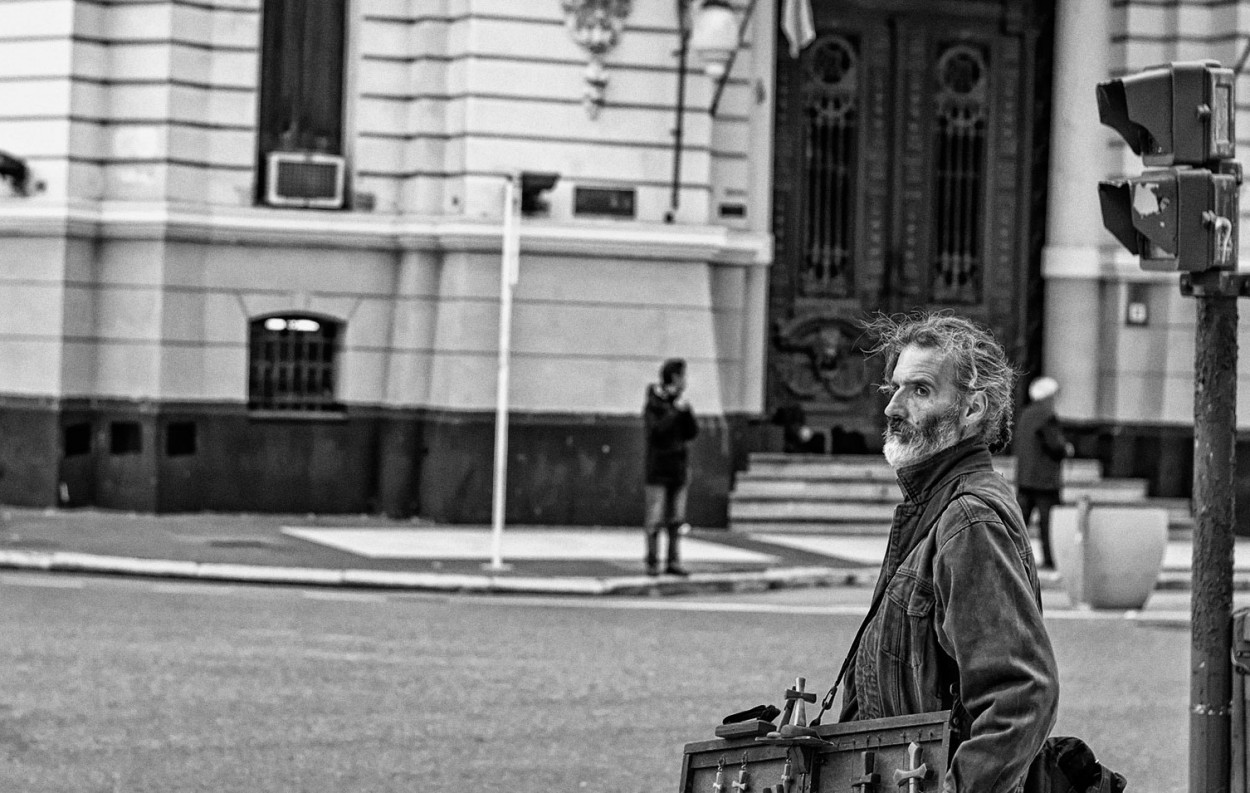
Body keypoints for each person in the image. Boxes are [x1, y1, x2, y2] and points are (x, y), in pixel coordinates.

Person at [835, 312, 1059, 793]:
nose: (894, 408)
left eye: (919, 391)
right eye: (893, 389)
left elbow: (1021, 696)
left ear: (973, 409)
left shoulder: (969, 521)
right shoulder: (934, 506)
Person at [643, 358, 698, 576]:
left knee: (676, 518)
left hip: (678, 468)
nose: (685, 380)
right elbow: (656, 431)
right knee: (655, 518)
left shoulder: (680, 404)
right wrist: (674, 411)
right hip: (658, 468)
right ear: (674, 377)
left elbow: (692, 432)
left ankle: (673, 560)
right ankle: (652, 560)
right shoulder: (654, 403)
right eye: (682, 376)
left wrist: (685, 412)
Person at [1015, 376, 1075, 570]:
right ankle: (1051, 559)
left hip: (1025, 478)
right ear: (1049, 396)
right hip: (1044, 480)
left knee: (1019, 522)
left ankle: (1012, 556)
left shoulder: (1025, 414)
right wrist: (1067, 449)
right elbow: (1055, 445)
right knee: (1049, 523)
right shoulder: (1047, 416)